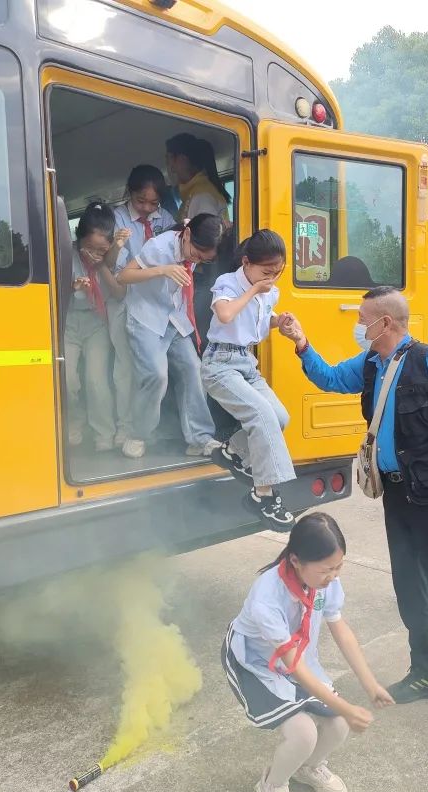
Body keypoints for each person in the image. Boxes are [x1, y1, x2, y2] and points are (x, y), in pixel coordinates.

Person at [278, 287, 428, 740]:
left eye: (364, 319)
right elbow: (327, 377)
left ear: (386, 323)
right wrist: (301, 342)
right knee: (406, 588)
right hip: (396, 497)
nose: (359, 326)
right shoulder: (370, 365)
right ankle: (426, 672)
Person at [222, 513, 394, 792]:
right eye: (327, 569)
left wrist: (370, 684)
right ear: (296, 560)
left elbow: (340, 628)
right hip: (257, 663)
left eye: (339, 566)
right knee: (303, 733)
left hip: (296, 656)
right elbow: (294, 668)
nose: (334, 576)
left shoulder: (325, 582)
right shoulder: (267, 596)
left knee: (338, 724)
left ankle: (307, 768)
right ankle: (271, 786)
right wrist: (346, 706)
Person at [201, 229, 296, 532]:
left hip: (246, 361)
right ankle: (264, 495)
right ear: (246, 262)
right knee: (260, 414)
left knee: (280, 417)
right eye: (267, 271)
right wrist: (254, 290)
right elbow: (227, 315)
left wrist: (278, 321)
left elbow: (258, 319)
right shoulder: (227, 283)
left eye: (278, 272)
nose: (272, 278)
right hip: (219, 363)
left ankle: (230, 451)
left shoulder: (271, 291)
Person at [116, 213, 222, 459]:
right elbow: (123, 277)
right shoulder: (158, 247)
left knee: (193, 369)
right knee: (156, 375)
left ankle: (200, 438)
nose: (196, 259)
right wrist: (162, 270)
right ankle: (138, 434)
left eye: (202, 259)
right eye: (195, 254)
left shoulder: (193, 240)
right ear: (186, 236)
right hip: (146, 317)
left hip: (173, 318)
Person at [113, 165, 178, 445]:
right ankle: (124, 427)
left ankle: (145, 428)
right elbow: (119, 270)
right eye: (141, 201)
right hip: (125, 298)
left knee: (153, 371)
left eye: (154, 202)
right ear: (130, 192)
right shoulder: (117, 219)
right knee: (125, 368)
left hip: (158, 304)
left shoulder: (165, 217)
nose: (147, 208)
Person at [65, 203, 129, 452]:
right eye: (90, 248)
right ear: (78, 238)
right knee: (67, 379)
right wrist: (71, 288)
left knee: (96, 380)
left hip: (97, 322)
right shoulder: (64, 254)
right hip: (69, 321)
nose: (95, 253)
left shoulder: (112, 256)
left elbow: (119, 291)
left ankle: (104, 432)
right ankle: (75, 423)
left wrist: (104, 262)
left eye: (102, 249)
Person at [165, 132, 231, 222]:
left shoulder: (202, 196)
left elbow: (205, 233)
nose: (170, 169)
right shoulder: (193, 194)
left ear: (182, 160)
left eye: (169, 161)